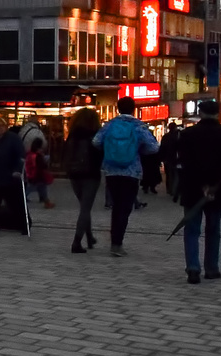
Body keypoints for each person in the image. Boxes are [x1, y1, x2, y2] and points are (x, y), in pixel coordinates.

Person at [175, 99, 221, 283]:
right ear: (217, 113)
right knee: (213, 229)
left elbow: (184, 162)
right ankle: (212, 268)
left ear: (200, 113)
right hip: (218, 187)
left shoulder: (188, 135)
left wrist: (201, 183)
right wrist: (214, 183)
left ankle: (193, 267)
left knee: (192, 229)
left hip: (193, 188)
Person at [92, 96, 159, 257]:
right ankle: (117, 243)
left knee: (116, 207)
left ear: (117, 109)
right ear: (134, 109)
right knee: (125, 208)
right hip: (132, 171)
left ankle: (115, 241)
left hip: (112, 170)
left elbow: (95, 142)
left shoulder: (110, 125)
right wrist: (138, 150)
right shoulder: (138, 126)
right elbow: (154, 147)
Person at [65, 108, 103, 253]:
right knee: (85, 208)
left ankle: (89, 237)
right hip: (90, 174)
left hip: (74, 174)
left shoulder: (72, 135)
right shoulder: (95, 136)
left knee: (84, 207)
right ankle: (76, 242)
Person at [25, 136, 54, 209]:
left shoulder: (31, 154)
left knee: (40, 188)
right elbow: (42, 165)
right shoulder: (38, 155)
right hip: (38, 175)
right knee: (36, 188)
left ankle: (46, 201)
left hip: (33, 175)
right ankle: (46, 202)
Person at [160, 122, 184, 199]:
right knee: (176, 174)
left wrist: (162, 158)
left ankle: (170, 189)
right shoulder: (178, 136)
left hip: (167, 158)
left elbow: (162, 148)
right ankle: (175, 189)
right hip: (176, 158)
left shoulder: (166, 137)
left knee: (169, 174)